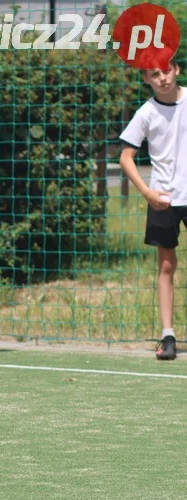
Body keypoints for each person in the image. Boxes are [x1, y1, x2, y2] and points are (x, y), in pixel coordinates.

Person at [119, 63, 187, 361]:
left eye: (166, 71)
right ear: (146, 79)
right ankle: (168, 335)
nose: (162, 78)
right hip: (162, 198)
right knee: (167, 266)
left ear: (177, 70)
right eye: (154, 75)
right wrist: (146, 192)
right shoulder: (146, 112)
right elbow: (126, 157)